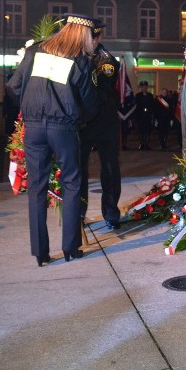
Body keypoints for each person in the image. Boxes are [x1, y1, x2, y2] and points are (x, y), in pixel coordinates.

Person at [7, 13, 98, 266]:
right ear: (83, 34)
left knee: (36, 187)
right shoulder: (80, 60)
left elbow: (13, 86)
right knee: (72, 183)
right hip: (64, 128)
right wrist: (78, 118)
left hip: (34, 127)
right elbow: (90, 103)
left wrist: (30, 108)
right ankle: (70, 248)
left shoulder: (35, 51)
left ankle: (40, 252)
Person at [79, 24, 123, 230]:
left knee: (110, 168)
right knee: (78, 169)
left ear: (95, 39)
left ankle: (111, 213)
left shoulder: (106, 61)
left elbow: (102, 91)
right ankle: (78, 212)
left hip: (104, 122)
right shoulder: (79, 57)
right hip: (84, 122)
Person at [133, 80, 155, 150]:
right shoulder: (138, 96)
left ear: (147, 87)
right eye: (142, 87)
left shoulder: (150, 95)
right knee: (141, 130)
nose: (144, 88)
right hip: (140, 116)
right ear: (140, 87)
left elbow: (152, 105)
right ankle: (142, 144)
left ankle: (146, 144)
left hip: (148, 115)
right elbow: (136, 106)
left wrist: (152, 114)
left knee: (147, 130)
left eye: (145, 86)